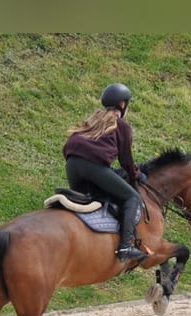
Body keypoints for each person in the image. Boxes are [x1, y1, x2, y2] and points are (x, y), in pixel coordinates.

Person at [62, 83, 148, 262]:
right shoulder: (121, 126)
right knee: (132, 198)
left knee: (93, 198)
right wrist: (137, 175)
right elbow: (126, 161)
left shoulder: (92, 120)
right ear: (123, 105)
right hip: (92, 166)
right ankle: (125, 248)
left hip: (72, 165)